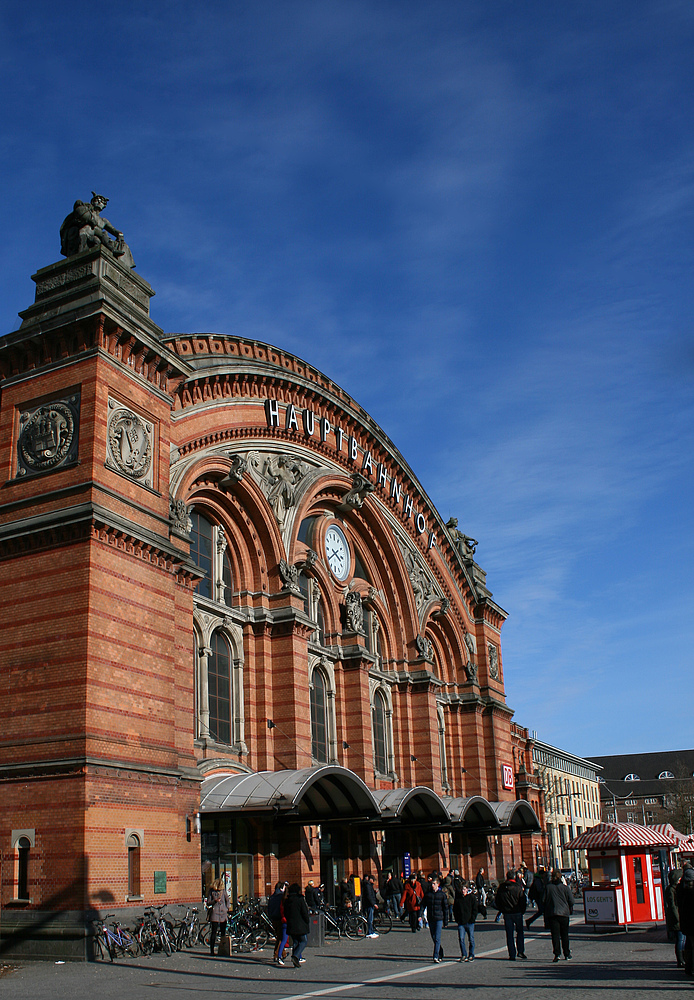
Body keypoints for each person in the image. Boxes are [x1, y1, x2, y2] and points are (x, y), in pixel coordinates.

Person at [495, 870, 527, 960]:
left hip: (507, 913)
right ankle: (520, 951)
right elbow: (522, 900)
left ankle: (511, 954)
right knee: (520, 932)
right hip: (517, 912)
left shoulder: (502, 887)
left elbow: (497, 901)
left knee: (509, 934)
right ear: (514, 877)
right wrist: (522, 910)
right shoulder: (518, 887)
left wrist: (502, 909)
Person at [544, 868, 574, 962]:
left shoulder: (548, 887)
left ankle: (557, 954)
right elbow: (571, 901)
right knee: (565, 935)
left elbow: (543, 900)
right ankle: (567, 953)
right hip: (564, 913)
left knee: (555, 935)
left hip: (553, 913)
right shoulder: (565, 888)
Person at [421, 875, 449, 962]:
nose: (432, 885)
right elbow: (423, 905)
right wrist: (420, 914)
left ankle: (435, 956)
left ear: (438, 884)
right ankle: (440, 951)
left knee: (437, 937)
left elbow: (445, 908)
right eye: (431, 884)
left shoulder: (442, 895)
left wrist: (446, 920)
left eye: (434, 884)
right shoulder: (428, 894)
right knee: (433, 937)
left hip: (439, 918)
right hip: (431, 918)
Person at [283, 882, 310, 967]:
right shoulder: (300, 899)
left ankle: (296, 960)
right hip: (300, 924)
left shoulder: (287, 900)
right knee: (303, 941)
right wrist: (307, 920)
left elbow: (285, 913)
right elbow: (304, 912)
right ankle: (295, 956)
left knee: (295, 942)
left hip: (291, 924)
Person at [453, 880, 478, 961]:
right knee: (461, 939)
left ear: (467, 889)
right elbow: (455, 910)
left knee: (471, 939)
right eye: (462, 889)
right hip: (461, 922)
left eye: (464, 889)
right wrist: (457, 919)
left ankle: (471, 954)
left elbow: (475, 909)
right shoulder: (458, 898)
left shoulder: (472, 898)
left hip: (470, 922)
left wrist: (472, 919)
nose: (462, 891)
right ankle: (464, 954)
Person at [665, 870, 685, 968]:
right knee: (680, 939)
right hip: (676, 918)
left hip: (677, 916)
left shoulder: (674, 889)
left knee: (681, 939)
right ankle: (680, 960)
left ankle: (682, 959)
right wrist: (678, 918)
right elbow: (672, 905)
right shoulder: (671, 890)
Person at [676, 865, 694, 976]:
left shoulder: (680, 890)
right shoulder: (690, 892)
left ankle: (688, 966)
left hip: (686, 922)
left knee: (688, 944)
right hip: (690, 921)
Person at [206, 876, 230, 957]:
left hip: (223, 913)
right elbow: (208, 902)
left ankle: (223, 949)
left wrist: (227, 908)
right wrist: (214, 901)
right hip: (215, 912)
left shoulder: (223, 891)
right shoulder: (211, 891)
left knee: (223, 932)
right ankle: (212, 950)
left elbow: (227, 900)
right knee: (214, 932)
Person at [268, 881, 289, 965]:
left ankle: (282, 953)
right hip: (280, 918)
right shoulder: (281, 897)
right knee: (281, 937)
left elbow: (269, 908)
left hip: (273, 918)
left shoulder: (272, 897)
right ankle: (277, 954)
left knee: (279, 936)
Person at [362, 873, 379, 938]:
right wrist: (373, 903)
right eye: (373, 880)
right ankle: (370, 932)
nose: (374, 881)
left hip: (369, 904)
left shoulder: (369, 885)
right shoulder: (368, 886)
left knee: (370, 918)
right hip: (369, 904)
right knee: (370, 918)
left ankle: (371, 931)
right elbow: (369, 896)